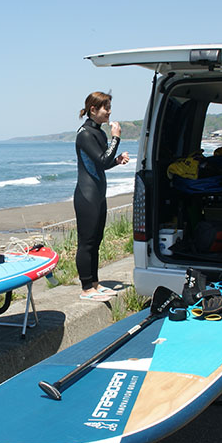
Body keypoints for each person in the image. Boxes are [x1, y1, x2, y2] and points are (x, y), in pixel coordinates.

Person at [74, 91, 130, 301]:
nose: (109, 111)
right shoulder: (85, 134)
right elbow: (101, 161)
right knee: (86, 242)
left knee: (96, 240)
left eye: (109, 107)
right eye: (105, 108)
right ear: (93, 110)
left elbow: (104, 162)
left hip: (98, 193)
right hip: (86, 195)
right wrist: (117, 137)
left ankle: (95, 284)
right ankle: (86, 288)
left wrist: (116, 160)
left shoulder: (98, 133)